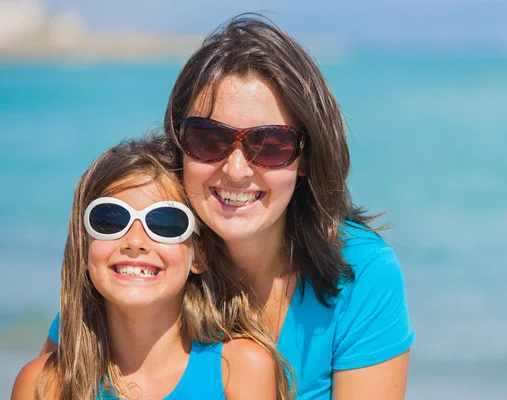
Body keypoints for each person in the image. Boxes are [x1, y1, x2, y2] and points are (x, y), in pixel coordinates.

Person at [41, 14, 415, 399]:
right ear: (180, 144)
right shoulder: (147, 261)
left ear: (306, 157)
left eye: (270, 145)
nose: (236, 170)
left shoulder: (360, 273)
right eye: (208, 139)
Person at [13, 137, 292, 399]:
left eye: (166, 223)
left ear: (200, 254)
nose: (135, 241)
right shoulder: (43, 384)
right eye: (110, 220)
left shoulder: (240, 368)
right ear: (83, 246)